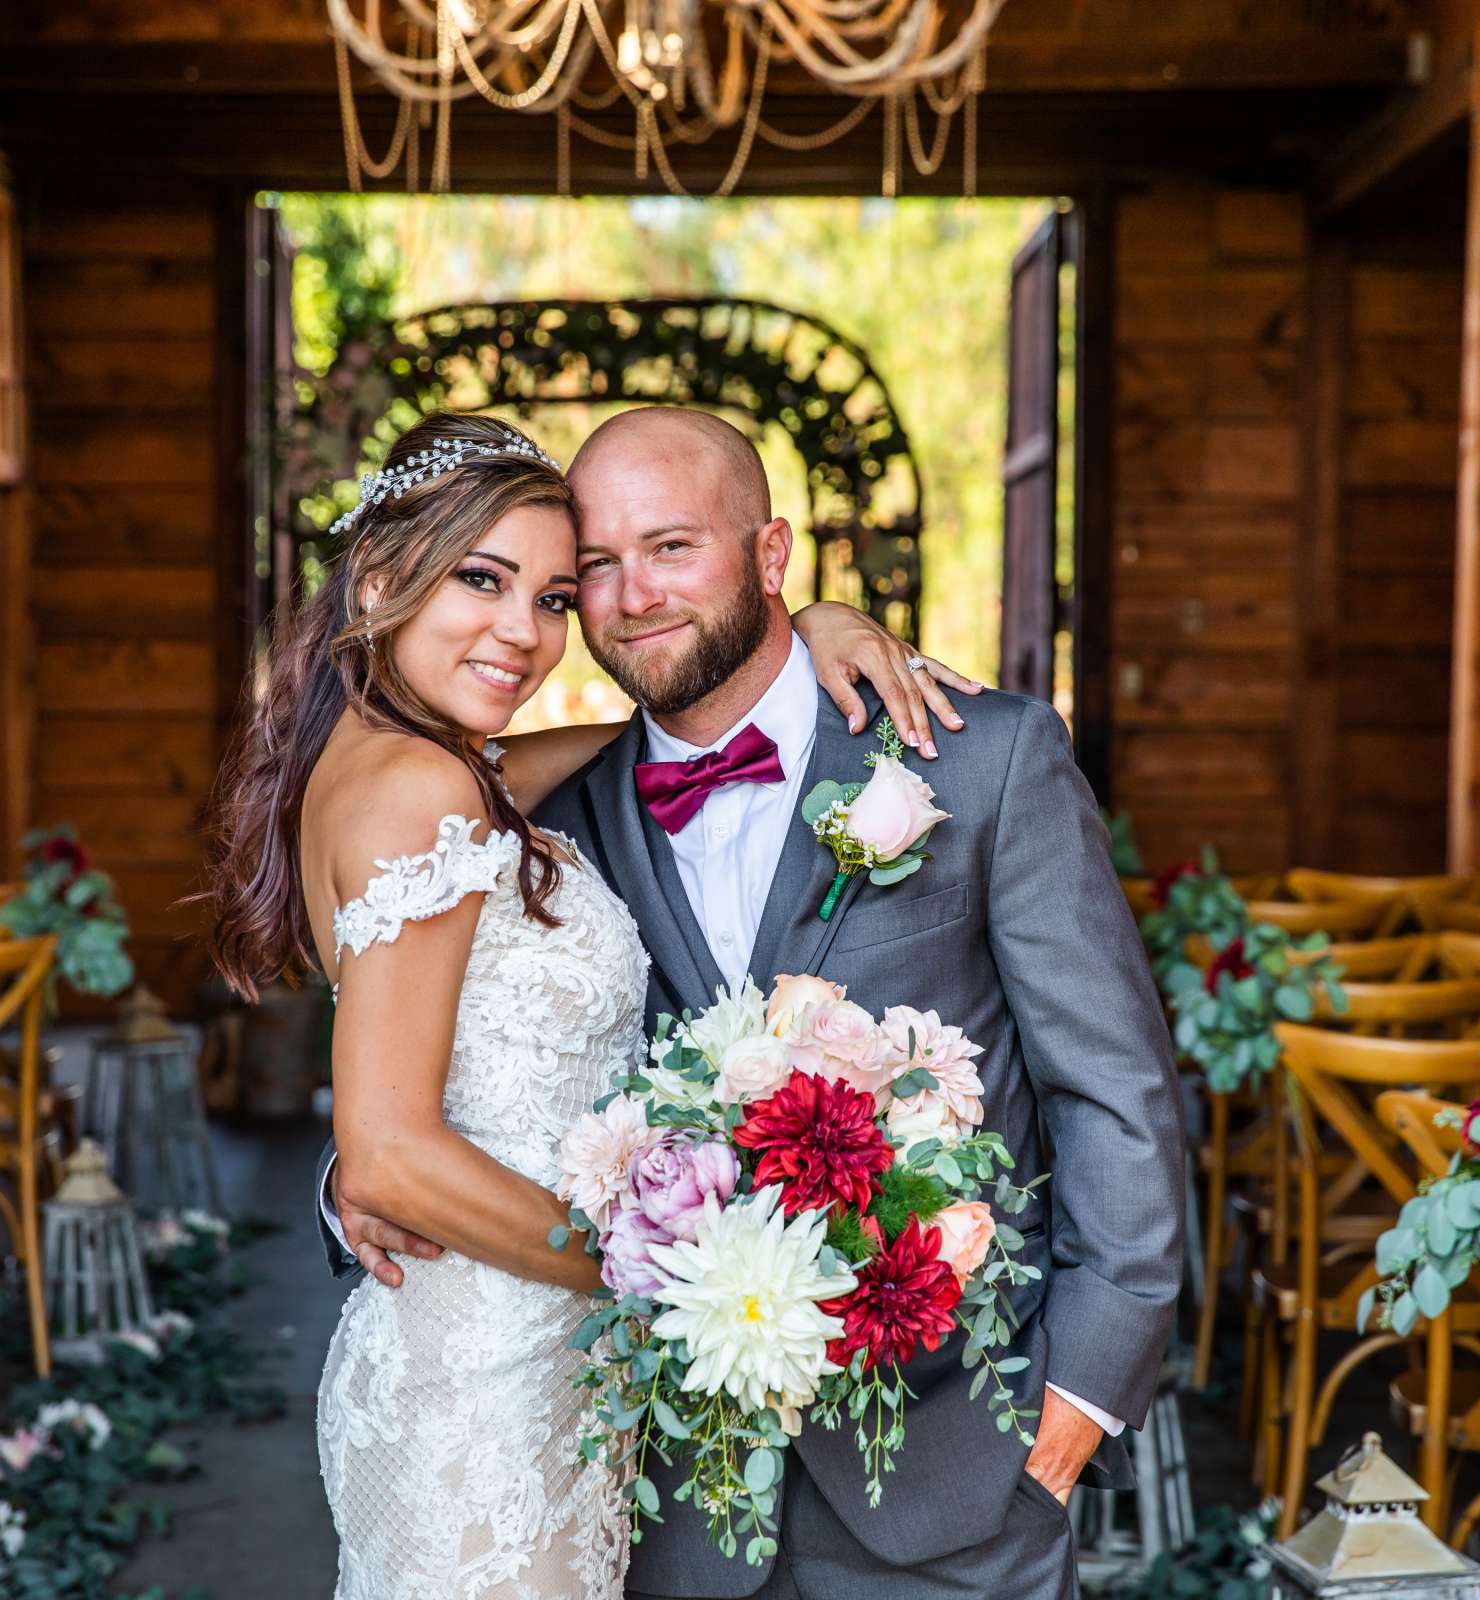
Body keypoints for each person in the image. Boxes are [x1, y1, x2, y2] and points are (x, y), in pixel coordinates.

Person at [323, 406, 1189, 1600]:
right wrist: (356, 1183)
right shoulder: (547, 828)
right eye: (599, 571)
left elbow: (1114, 1087)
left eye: (672, 547)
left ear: (772, 557)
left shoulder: (978, 760)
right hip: (661, 1489)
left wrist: (1084, 1388)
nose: (632, 597)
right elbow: (433, 1057)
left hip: (949, 1464)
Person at [205, 410, 971, 1600]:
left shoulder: (412, 765)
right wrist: (682, 1279)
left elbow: (603, 748)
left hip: (514, 1357)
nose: (525, 632)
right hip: (487, 1386)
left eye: (557, 598)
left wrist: (787, 632)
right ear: (382, 572)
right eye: (483, 581)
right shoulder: (419, 785)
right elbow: (392, 1156)